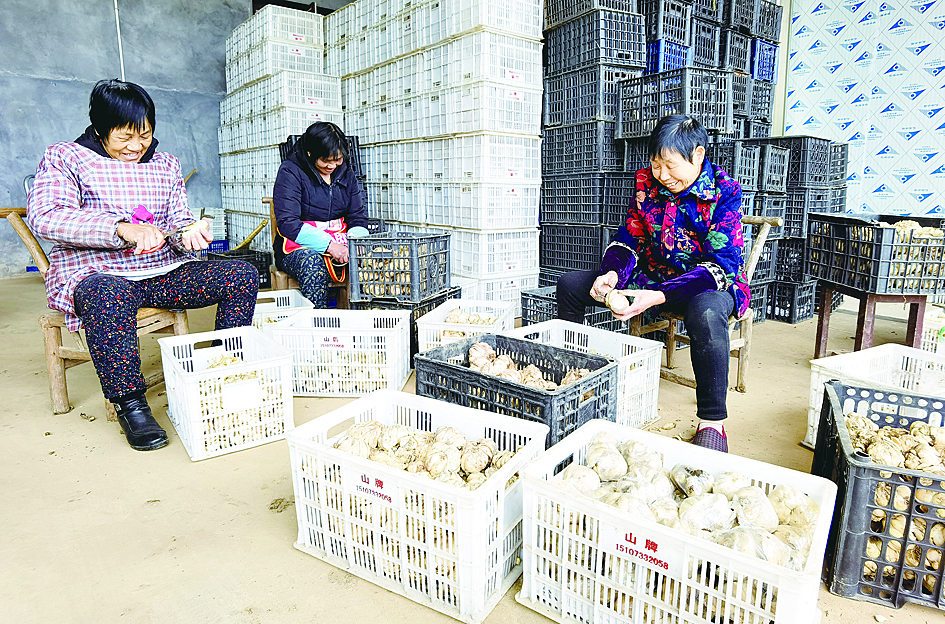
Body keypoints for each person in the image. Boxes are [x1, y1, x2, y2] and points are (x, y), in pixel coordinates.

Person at [27, 79, 259, 452]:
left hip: (160, 272)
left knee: (241, 275)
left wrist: (190, 233)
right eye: (124, 137)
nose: (136, 146)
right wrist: (120, 228)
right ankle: (131, 405)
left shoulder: (166, 164)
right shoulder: (65, 158)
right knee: (107, 295)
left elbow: (177, 221)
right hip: (99, 273)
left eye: (145, 135)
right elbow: (46, 216)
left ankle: (222, 370)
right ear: (100, 129)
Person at [556, 115, 749, 453]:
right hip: (652, 276)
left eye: (671, 166)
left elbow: (720, 266)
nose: (662, 175)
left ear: (698, 155)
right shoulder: (647, 183)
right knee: (570, 285)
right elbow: (629, 237)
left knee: (706, 312)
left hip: (708, 284)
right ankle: (571, 378)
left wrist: (659, 295)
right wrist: (612, 273)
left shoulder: (725, 191)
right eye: (657, 165)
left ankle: (712, 422)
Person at [271, 122, 369, 307]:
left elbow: (357, 217)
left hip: (341, 242)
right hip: (297, 247)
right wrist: (330, 246)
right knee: (312, 263)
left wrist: (356, 244)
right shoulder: (290, 171)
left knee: (371, 259)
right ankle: (317, 320)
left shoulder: (346, 173)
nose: (332, 166)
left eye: (337, 159)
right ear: (310, 153)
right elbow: (288, 223)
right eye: (325, 160)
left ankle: (363, 318)